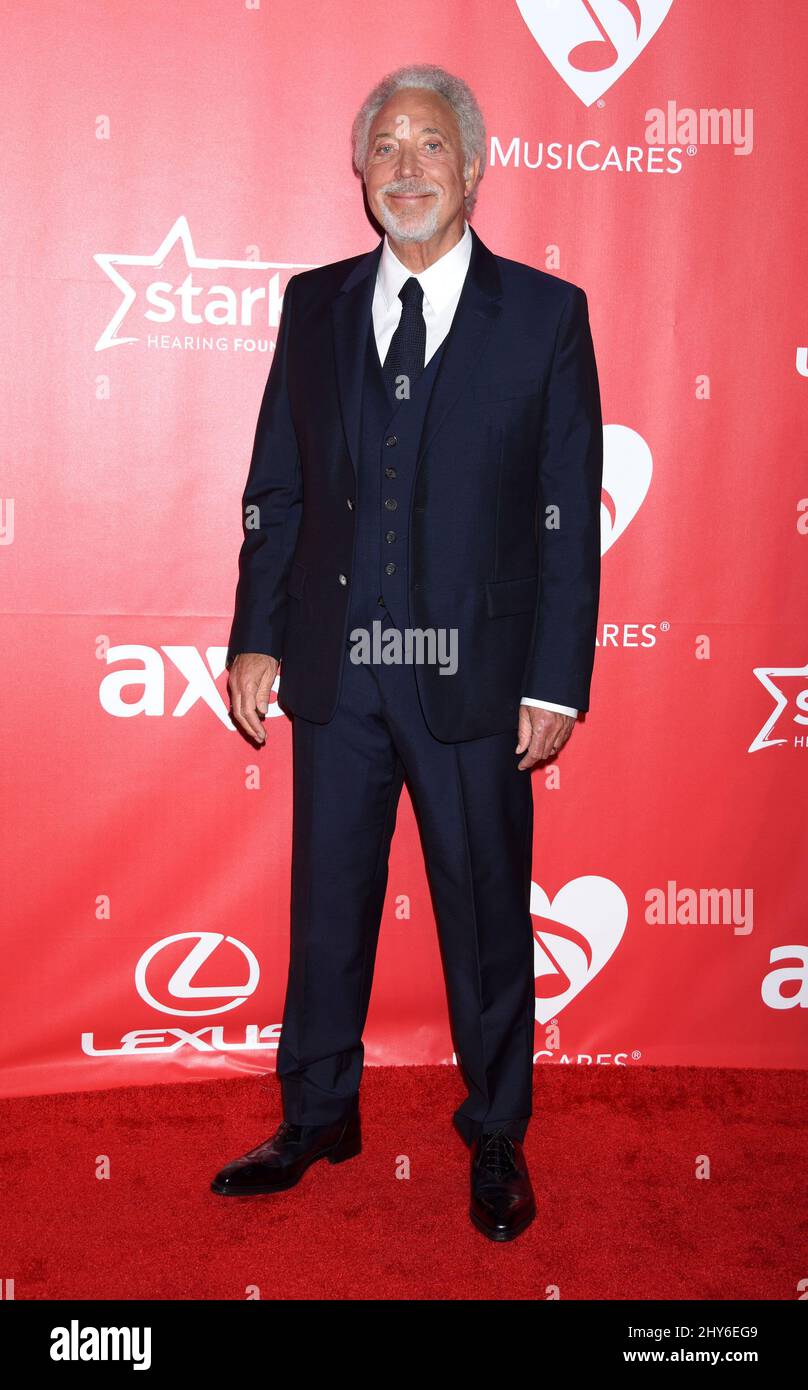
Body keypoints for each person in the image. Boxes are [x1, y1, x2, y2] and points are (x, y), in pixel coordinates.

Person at [211, 63, 603, 1242]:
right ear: (361, 174)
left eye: (431, 147)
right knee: (325, 905)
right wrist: (254, 634)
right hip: (337, 672)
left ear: (473, 168)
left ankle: (495, 1132)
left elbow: (565, 510)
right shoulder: (313, 303)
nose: (408, 168)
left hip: (476, 678)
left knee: (484, 912)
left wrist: (554, 676)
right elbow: (276, 489)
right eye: (387, 149)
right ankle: (320, 1111)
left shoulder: (544, 315)